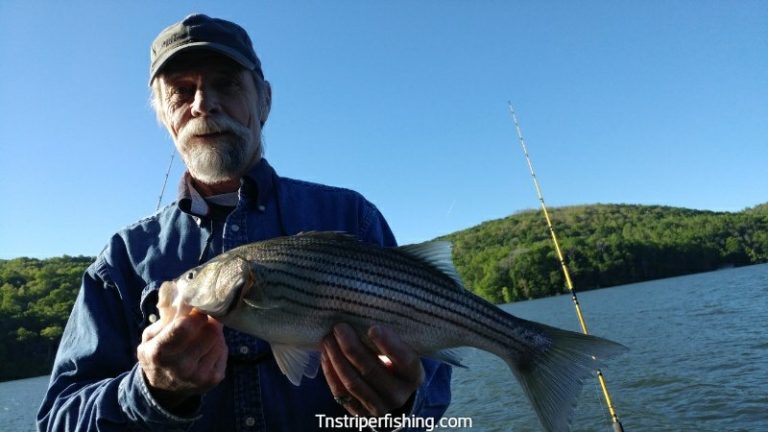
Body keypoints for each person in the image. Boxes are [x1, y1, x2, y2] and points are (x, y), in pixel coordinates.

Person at [37, 14, 451, 431]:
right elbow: (57, 419)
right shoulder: (123, 261)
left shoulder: (352, 217)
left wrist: (403, 408)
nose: (203, 103)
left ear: (264, 100)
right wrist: (149, 390)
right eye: (181, 91)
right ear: (163, 115)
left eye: (227, 83)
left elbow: (432, 382)